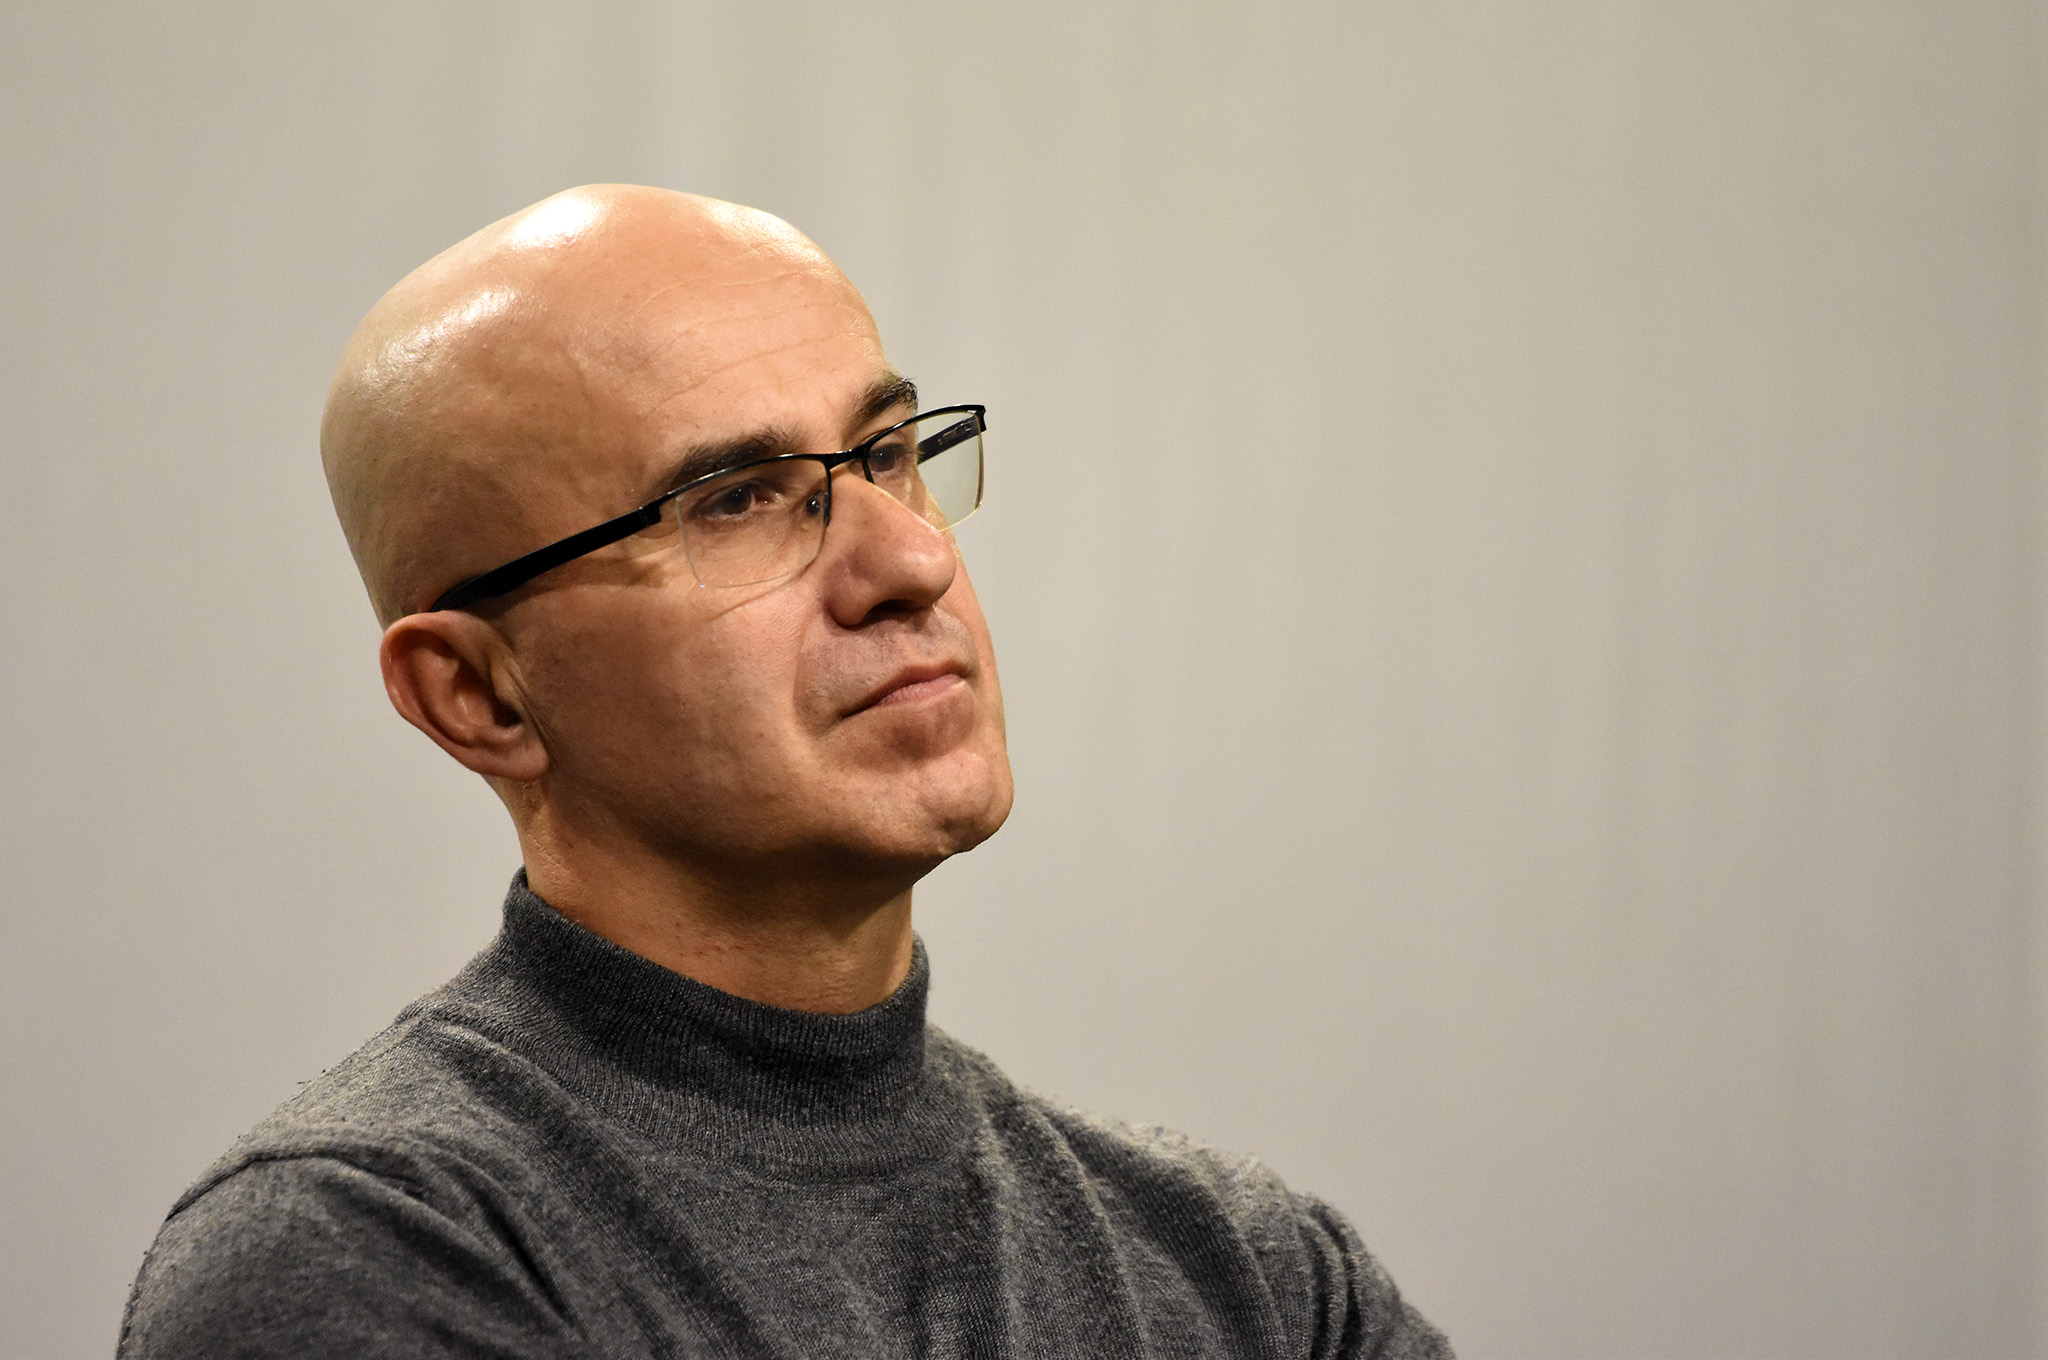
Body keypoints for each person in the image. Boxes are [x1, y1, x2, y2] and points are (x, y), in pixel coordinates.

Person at [119, 184, 1451, 1359]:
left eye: (889, 456)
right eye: (736, 500)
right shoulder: (366, 1252)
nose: (914, 562)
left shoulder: (1255, 1279)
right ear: (478, 694)